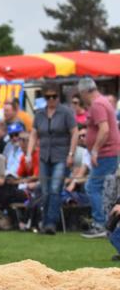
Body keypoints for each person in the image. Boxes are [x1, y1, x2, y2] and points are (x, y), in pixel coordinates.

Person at [29, 84, 77, 235]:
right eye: (48, 97)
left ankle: (51, 223)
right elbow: (33, 134)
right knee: (44, 191)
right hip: (44, 155)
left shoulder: (66, 112)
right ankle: (44, 222)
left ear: (58, 97)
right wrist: (28, 153)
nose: (51, 100)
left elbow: (74, 133)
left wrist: (71, 154)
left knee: (55, 189)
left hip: (61, 155)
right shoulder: (39, 114)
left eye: (54, 97)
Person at [77, 77, 119, 238]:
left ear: (85, 91)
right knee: (105, 189)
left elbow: (105, 130)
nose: (81, 97)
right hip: (109, 153)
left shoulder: (97, 104)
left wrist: (94, 150)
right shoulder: (102, 102)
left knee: (93, 187)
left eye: (81, 93)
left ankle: (100, 223)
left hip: (105, 154)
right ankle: (106, 223)